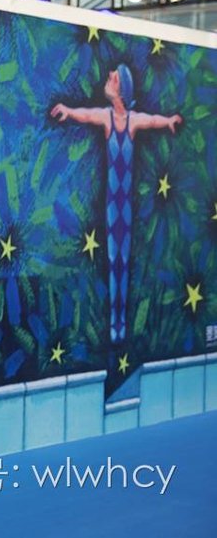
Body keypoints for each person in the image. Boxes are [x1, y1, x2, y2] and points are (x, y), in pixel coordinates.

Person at [50, 65, 182, 343]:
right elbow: (85, 114)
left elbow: (153, 120)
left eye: (115, 78)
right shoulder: (106, 117)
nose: (109, 77)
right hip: (112, 204)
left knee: (124, 258)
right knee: (113, 260)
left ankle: (122, 318)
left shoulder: (132, 121)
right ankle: (115, 321)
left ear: (122, 91)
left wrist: (169, 120)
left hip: (125, 206)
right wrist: (68, 111)